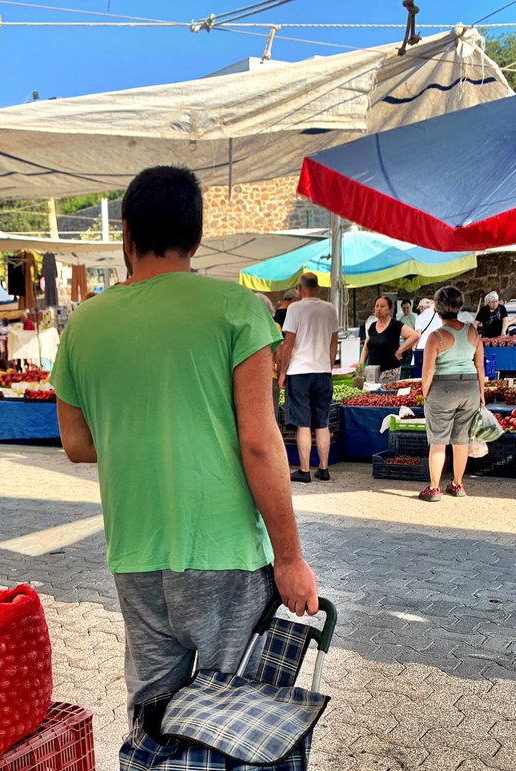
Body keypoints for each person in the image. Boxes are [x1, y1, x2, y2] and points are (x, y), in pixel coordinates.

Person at [51, 165, 318, 718]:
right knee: (229, 717)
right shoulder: (237, 309)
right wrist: (290, 558)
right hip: (224, 551)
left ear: (126, 233)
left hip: (136, 551)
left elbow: (76, 444)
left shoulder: (84, 324)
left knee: (152, 712)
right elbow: (261, 443)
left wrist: (144, 435)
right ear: (196, 238)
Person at [418, 285, 485, 502]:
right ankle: (457, 484)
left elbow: (428, 371)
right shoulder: (473, 332)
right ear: (459, 306)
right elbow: (480, 367)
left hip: (443, 388)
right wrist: (481, 393)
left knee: (438, 439)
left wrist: (426, 393)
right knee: (461, 439)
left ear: (437, 308)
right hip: (470, 388)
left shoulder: (435, 337)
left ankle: (434, 488)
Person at [276, 272, 338, 484]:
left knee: (303, 423)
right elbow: (333, 341)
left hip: (299, 371)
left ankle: (304, 470)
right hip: (322, 371)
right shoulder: (330, 309)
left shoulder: (295, 308)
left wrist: (282, 372)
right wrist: (329, 365)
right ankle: (324, 468)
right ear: (318, 287)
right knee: (322, 422)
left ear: (300, 289)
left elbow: (288, 343)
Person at [356, 295, 419, 386]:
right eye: (377, 306)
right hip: (372, 372)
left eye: (382, 306)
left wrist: (400, 350)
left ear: (389, 309)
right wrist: (361, 367)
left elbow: (414, 335)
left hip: (390, 372)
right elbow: (366, 348)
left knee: (386, 394)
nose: (379, 309)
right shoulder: (372, 326)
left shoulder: (395, 325)